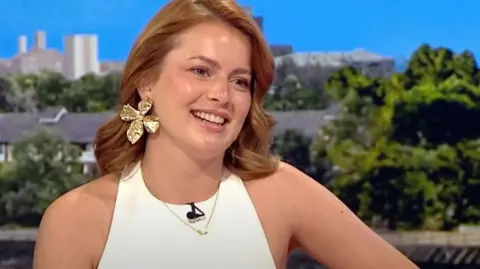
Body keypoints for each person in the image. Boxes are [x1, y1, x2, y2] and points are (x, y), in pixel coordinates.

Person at [33, 0, 419, 268]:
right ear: (146, 82)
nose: (222, 95)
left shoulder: (281, 194)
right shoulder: (75, 220)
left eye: (240, 80)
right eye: (201, 71)